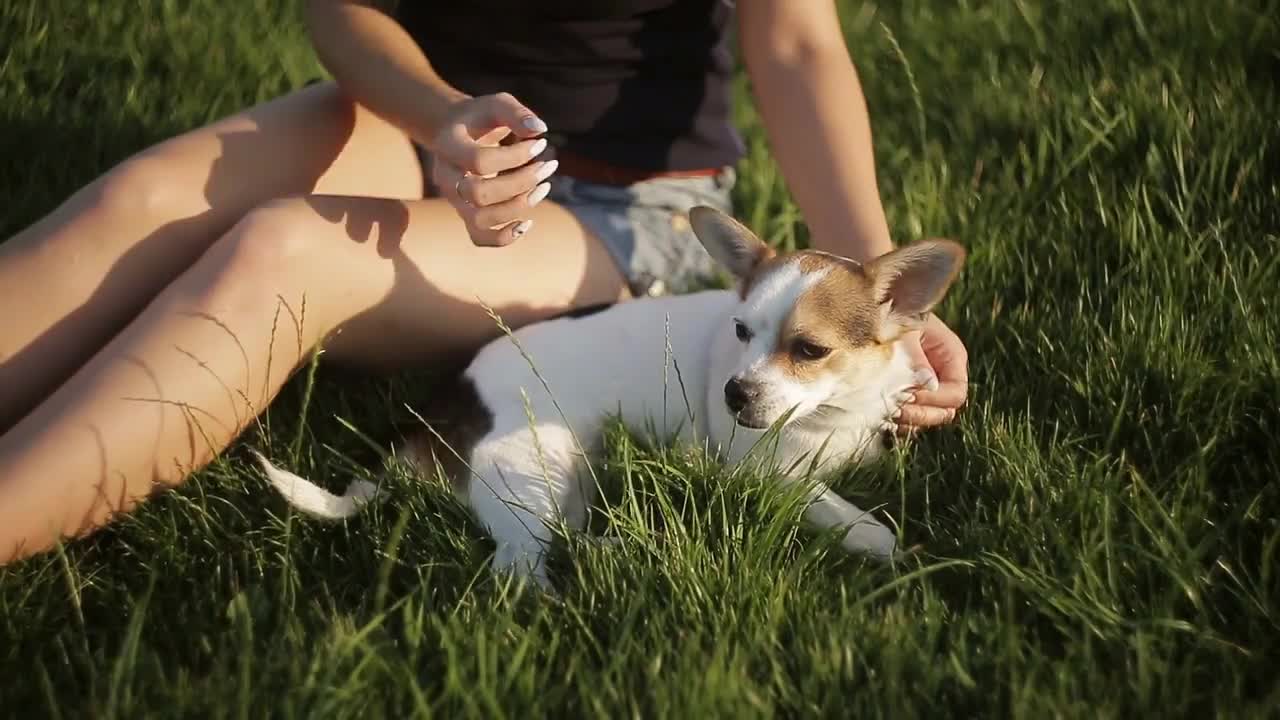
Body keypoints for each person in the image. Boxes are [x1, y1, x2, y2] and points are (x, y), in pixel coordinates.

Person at [0, 0, 968, 564]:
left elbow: (793, 41)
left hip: (623, 201)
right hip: (406, 120)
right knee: (147, 199)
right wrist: (439, 118)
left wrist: (868, 295)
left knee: (279, 253)